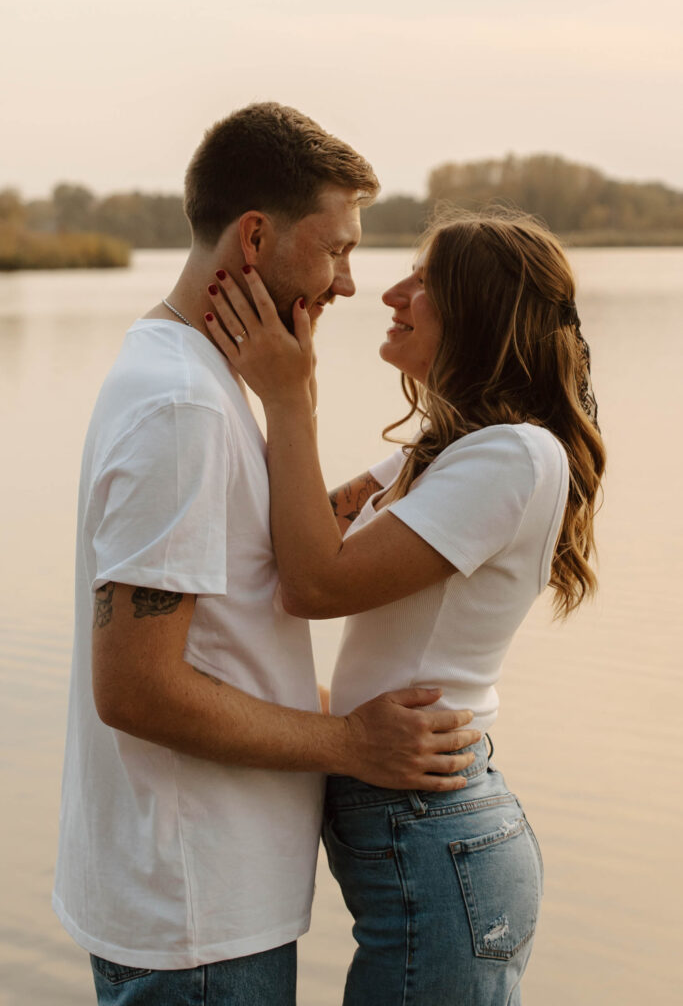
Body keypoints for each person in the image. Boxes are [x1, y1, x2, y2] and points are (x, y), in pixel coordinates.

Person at [52, 103, 480, 1006]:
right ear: (254, 238)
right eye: (335, 250)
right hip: (196, 919)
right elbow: (135, 686)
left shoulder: (188, 377)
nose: (350, 284)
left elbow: (226, 612)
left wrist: (301, 423)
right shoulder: (185, 409)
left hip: (192, 906)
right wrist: (352, 743)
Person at [203, 208, 606, 1005]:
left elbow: (311, 585)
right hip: (421, 831)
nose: (392, 291)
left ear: (478, 309)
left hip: (437, 835)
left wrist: (292, 400)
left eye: (423, 280)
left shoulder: (511, 456)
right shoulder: (440, 454)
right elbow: (300, 544)